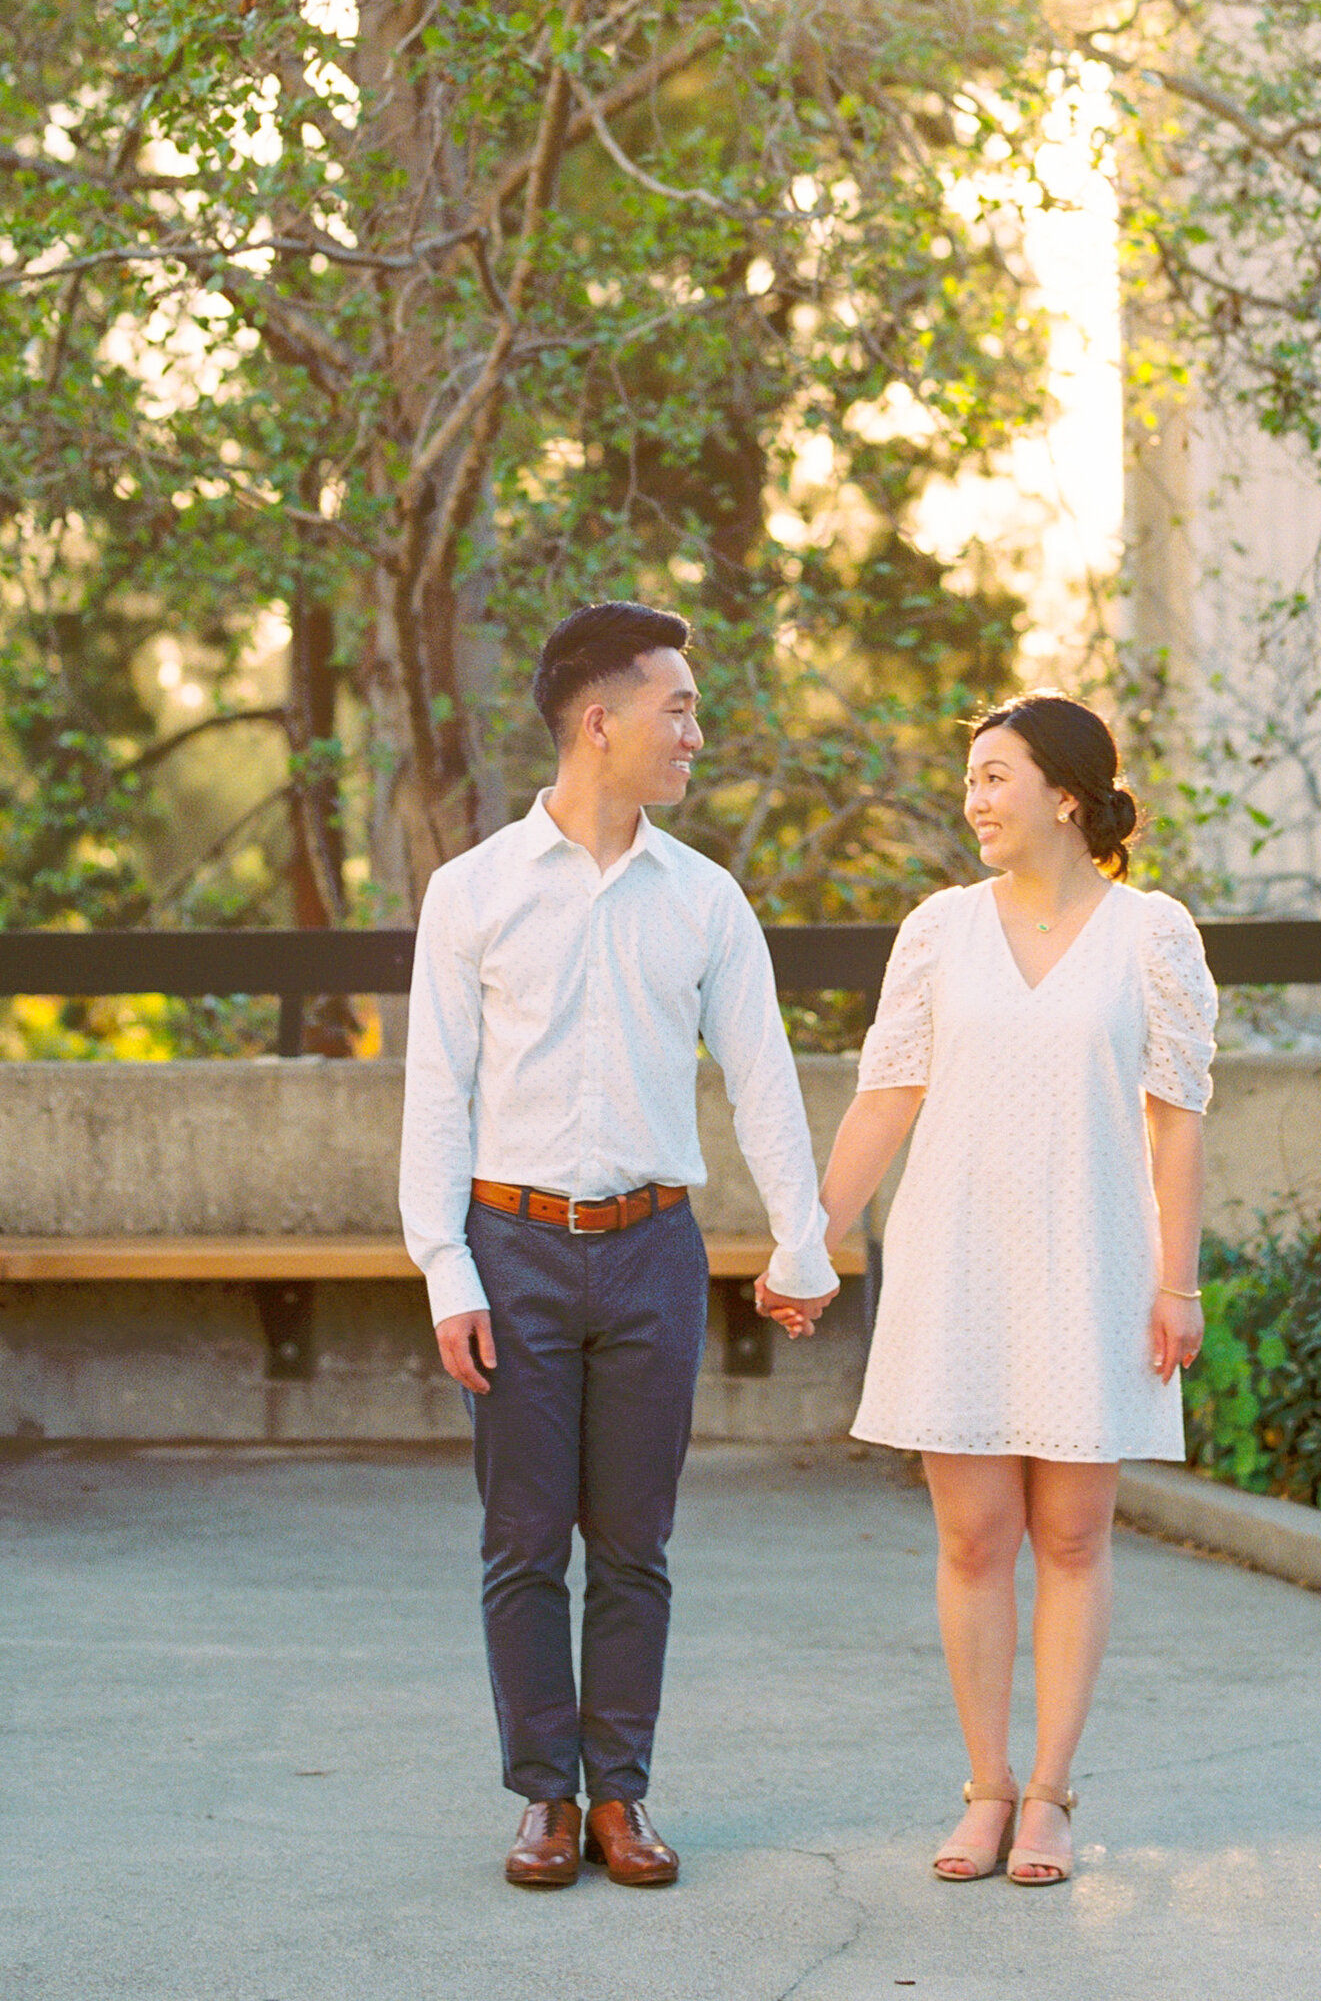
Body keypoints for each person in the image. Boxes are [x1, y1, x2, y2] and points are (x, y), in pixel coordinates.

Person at [399, 600, 840, 1893]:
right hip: (513, 1248)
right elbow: (436, 1088)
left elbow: (764, 1079)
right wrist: (446, 1267)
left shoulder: (704, 901)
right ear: (601, 722)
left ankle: (620, 1798)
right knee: (525, 1540)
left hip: (653, 1254)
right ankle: (544, 1793)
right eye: (679, 708)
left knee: (635, 1544)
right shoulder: (472, 893)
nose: (696, 731)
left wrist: (800, 1243)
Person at [801, 692, 1217, 1891]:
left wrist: (1177, 1284)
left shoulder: (1151, 934)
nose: (972, 799)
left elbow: (1176, 1120)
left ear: (1065, 796)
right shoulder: (937, 929)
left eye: (993, 776)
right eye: (970, 778)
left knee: (1073, 1536)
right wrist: (811, 1239)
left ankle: (1049, 1795)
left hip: (1095, 1262)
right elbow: (888, 1093)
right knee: (974, 1538)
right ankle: (984, 1787)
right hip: (958, 1261)